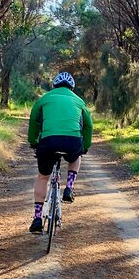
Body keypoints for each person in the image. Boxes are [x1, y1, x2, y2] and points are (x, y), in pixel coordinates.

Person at [27, 72, 93, 234]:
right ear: (72, 87)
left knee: (43, 177)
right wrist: (84, 146)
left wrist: (33, 142)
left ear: (54, 85)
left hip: (48, 142)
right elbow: (88, 126)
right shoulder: (79, 101)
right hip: (72, 142)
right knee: (76, 157)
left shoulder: (43, 99)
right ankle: (69, 187)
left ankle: (37, 218)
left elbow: (34, 121)